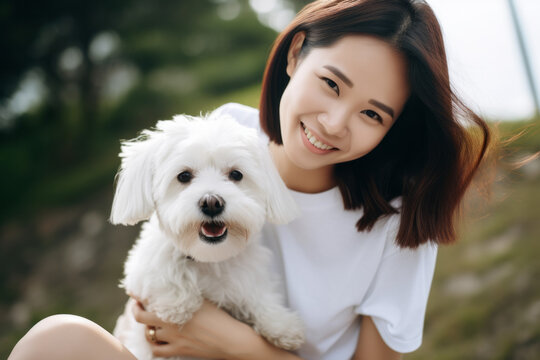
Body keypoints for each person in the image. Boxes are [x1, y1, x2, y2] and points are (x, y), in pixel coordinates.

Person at [8, 0, 492, 359]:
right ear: (296, 54)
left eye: (371, 113)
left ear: (393, 127)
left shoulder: (399, 223)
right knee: (58, 338)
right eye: (330, 83)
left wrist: (238, 344)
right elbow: (150, 292)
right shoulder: (226, 134)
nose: (334, 122)